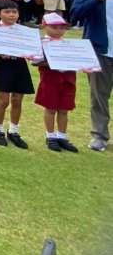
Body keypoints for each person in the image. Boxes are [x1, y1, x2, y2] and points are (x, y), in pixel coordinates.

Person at [70, 0, 113, 152]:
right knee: (99, 96)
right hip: (100, 51)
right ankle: (99, 135)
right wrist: (95, 0)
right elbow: (75, 15)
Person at [0, 0, 32, 148]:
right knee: (4, 100)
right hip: (3, 64)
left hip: (20, 64)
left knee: (17, 99)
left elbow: (30, 47)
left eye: (14, 12)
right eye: (7, 12)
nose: (11, 15)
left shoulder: (23, 30)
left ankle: (14, 131)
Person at [33, 13, 81, 152]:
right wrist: (54, 61)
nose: (58, 31)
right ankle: (50, 136)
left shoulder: (68, 44)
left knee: (64, 109)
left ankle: (62, 136)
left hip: (68, 80)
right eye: (54, 27)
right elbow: (35, 62)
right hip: (50, 80)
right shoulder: (42, 43)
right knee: (51, 108)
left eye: (61, 28)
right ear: (44, 27)